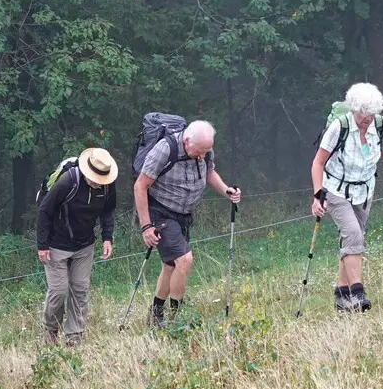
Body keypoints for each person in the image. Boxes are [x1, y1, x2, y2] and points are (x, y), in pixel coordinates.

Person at [309, 83, 383, 313]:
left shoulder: (380, 124)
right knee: (353, 235)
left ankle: (341, 297)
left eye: (372, 113)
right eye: (363, 113)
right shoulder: (339, 127)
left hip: (364, 191)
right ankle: (357, 293)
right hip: (336, 190)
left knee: (351, 241)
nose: (367, 118)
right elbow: (318, 163)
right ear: (355, 108)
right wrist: (318, 195)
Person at [133, 120, 241, 328]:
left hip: (184, 214)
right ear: (186, 140)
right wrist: (146, 226)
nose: (202, 156)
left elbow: (209, 172)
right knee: (184, 260)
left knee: (170, 265)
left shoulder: (204, 149)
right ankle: (178, 319)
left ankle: (155, 315)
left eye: (206, 151)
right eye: (199, 151)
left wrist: (226, 190)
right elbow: (140, 186)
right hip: (162, 211)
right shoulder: (165, 149)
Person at [37, 147, 119, 347]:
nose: (97, 183)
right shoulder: (68, 182)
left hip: (85, 245)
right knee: (58, 291)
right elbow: (45, 211)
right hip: (57, 244)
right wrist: (43, 245)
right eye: (94, 178)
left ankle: (74, 336)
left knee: (80, 289)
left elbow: (108, 211)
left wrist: (107, 237)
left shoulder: (108, 185)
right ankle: (51, 330)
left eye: (101, 179)